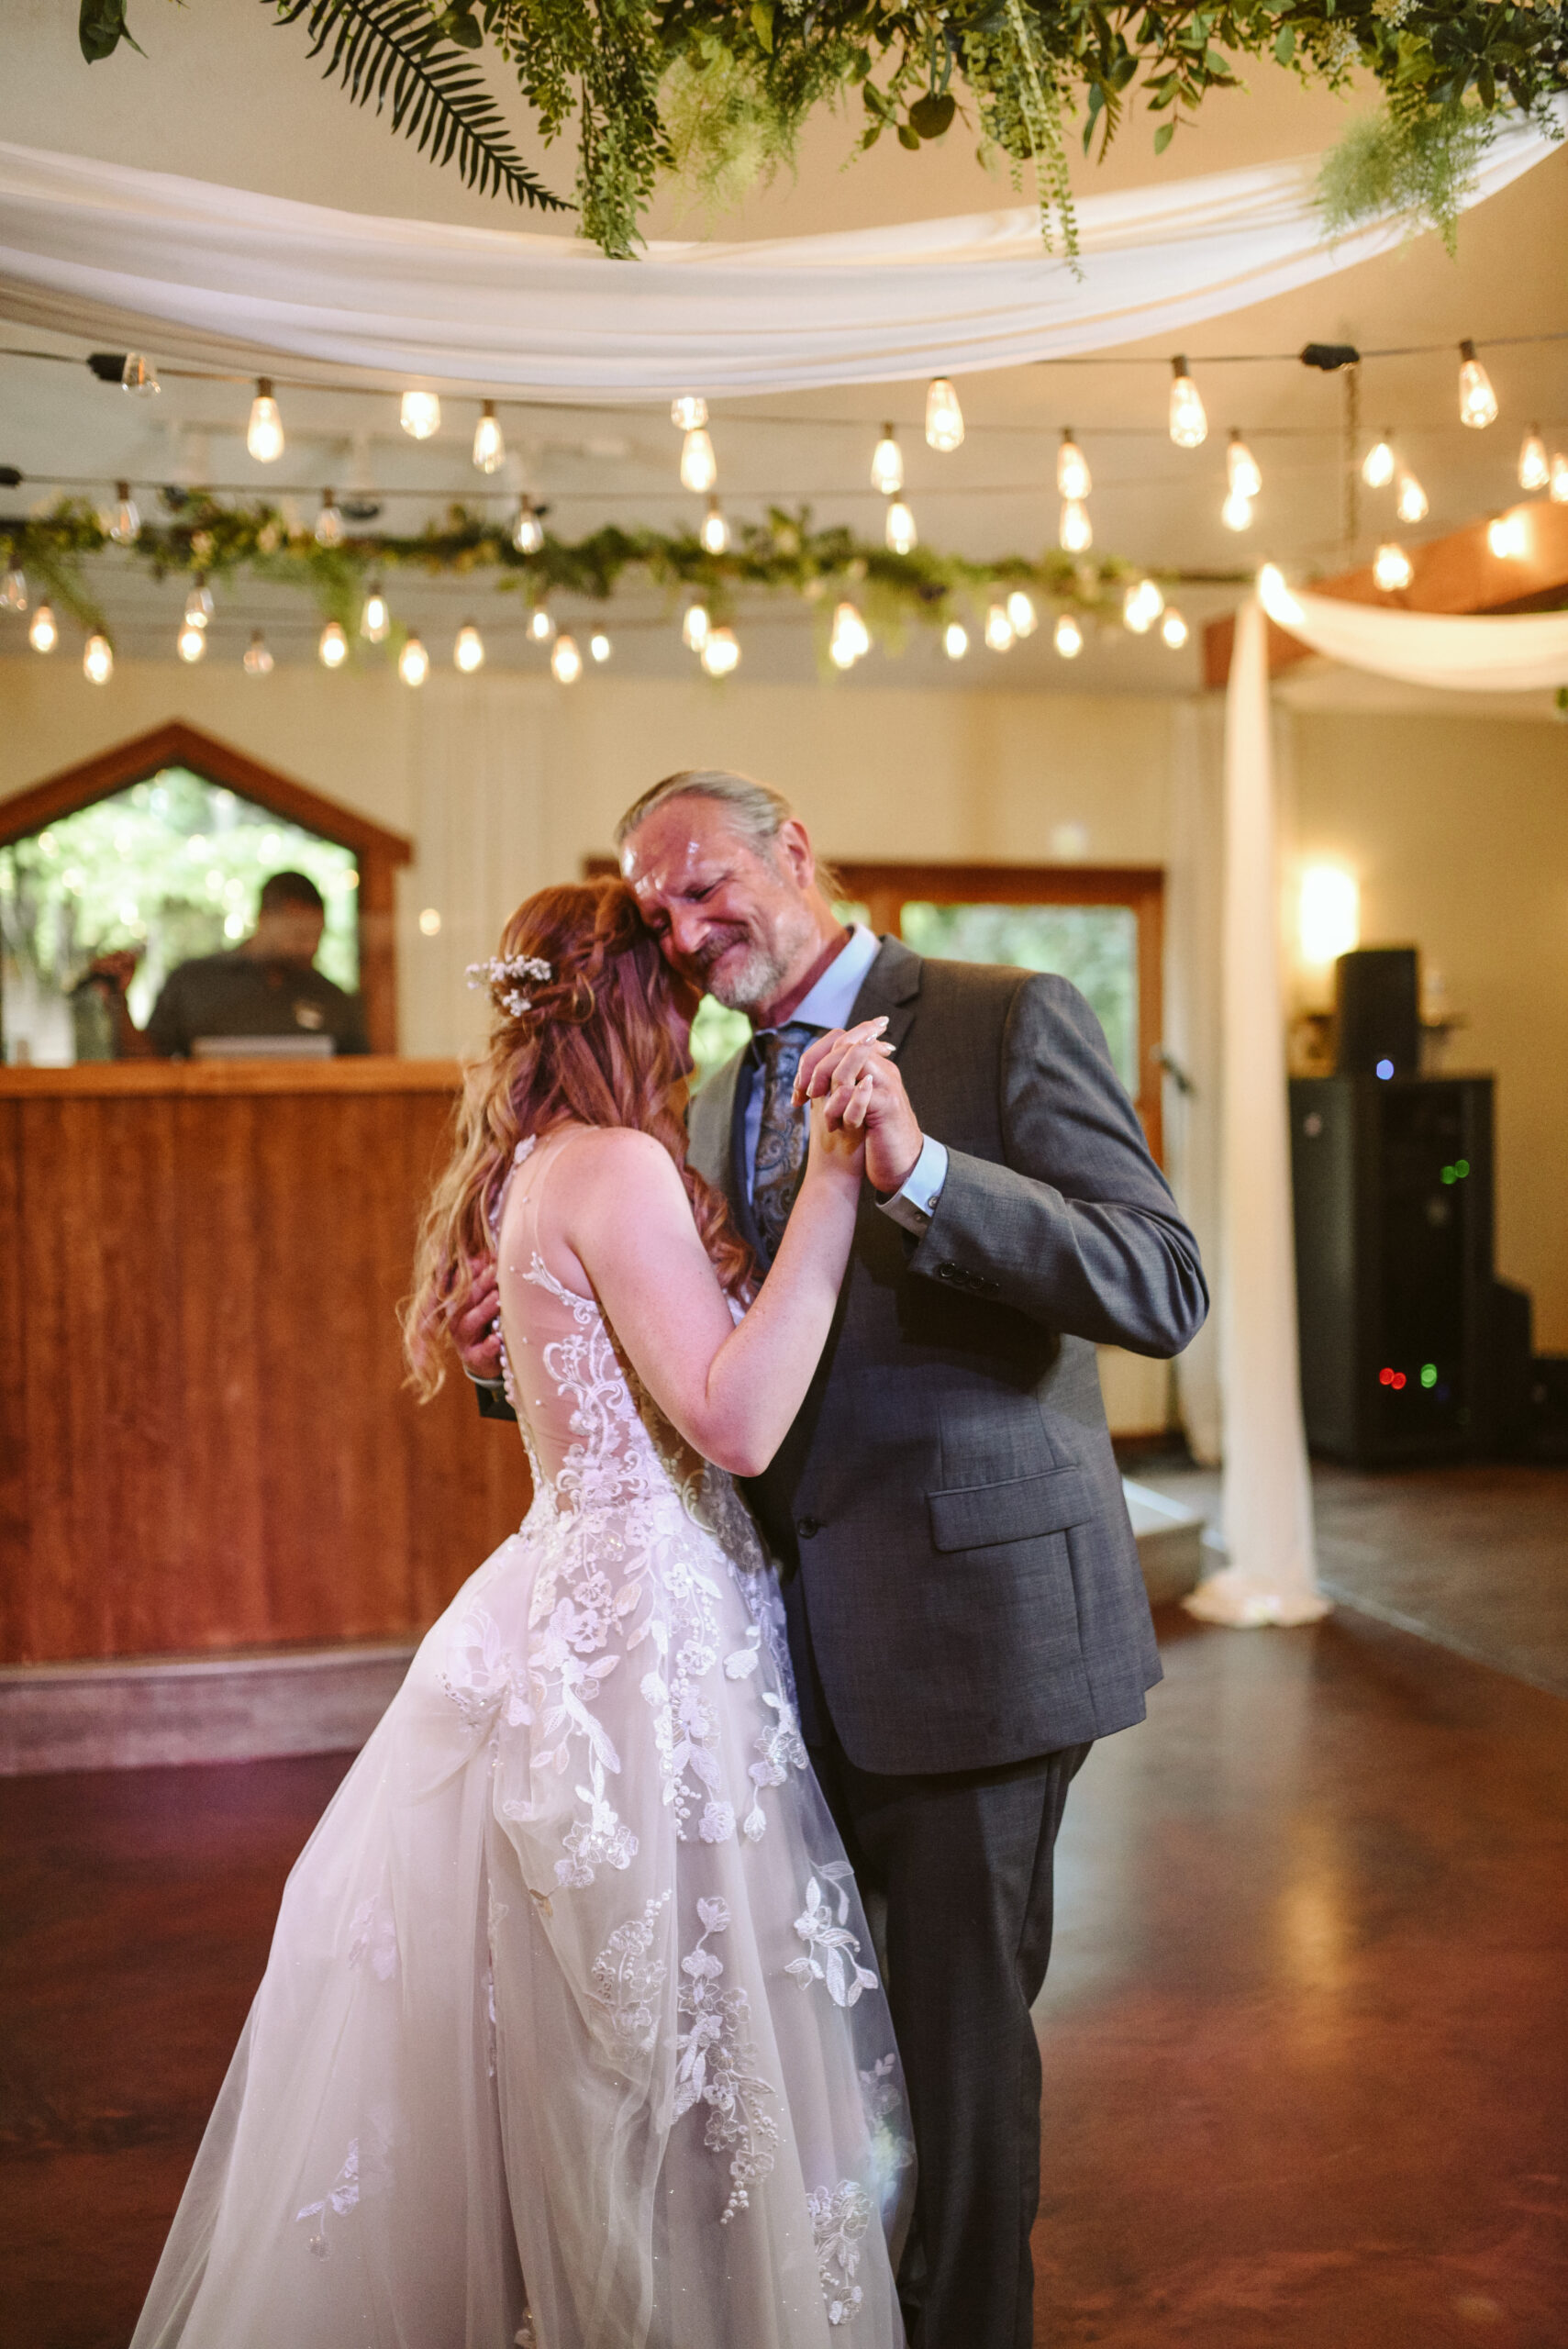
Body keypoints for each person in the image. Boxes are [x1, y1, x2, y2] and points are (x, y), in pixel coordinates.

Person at [456, 771, 1208, 2349]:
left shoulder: (1005, 1017)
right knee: (832, 2059)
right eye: (653, 904)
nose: (681, 922)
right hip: (767, 1655)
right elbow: (716, 1357)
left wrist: (921, 1173)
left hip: (970, 1638)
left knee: (956, 2060)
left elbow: (1156, 1281)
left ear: (789, 849)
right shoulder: (725, 1090)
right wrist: (520, 1351)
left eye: (703, 879)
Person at [129, 877, 914, 2349]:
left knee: (604, 2050)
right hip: (646, 1641)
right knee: (671, 2055)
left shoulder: (530, 1167)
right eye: (675, 1006)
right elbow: (735, 1422)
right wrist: (830, 1176)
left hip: (577, 1597)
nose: (690, 1038)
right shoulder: (615, 1166)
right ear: (631, 1008)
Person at [134, 869, 367, 1057]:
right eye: (299, 935)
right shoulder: (193, 982)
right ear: (264, 919)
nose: (310, 947)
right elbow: (145, 1063)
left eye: (317, 936)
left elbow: (363, 1076)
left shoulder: (333, 999)